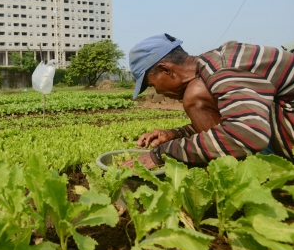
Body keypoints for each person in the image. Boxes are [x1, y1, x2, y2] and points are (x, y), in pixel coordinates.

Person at [123, 33, 294, 168]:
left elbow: (248, 134)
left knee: (195, 94)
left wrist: (163, 153)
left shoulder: (221, 69)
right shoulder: (213, 66)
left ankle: (246, 177)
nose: (158, 91)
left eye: (152, 85)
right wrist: (175, 134)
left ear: (166, 70)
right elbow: (236, 119)